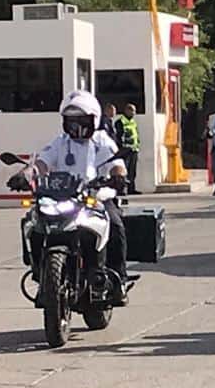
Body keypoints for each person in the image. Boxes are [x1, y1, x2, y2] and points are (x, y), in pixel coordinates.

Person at [9, 91, 130, 303]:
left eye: (81, 121)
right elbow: (42, 162)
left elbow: (116, 164)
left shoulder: (102, 141)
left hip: (95, 198)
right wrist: (25, 174)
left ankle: (118, 281)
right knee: (32, 223)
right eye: (71, 121)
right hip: (62, 198)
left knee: (117, 225)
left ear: (93, 119)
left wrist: (118, 176)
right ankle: (41, 274)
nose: (77, 127)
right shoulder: (60, 142)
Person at [115, 103, 140, 195]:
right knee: (123, 172)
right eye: (132, 110)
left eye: (134, 111)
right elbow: (119, 136)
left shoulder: (133, 121)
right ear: (127, 111)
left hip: (134, 150)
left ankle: (131, 189)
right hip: (125, 151)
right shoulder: (120, 122)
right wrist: (121, 149)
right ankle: (121, 190)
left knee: (132, 172)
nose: (134, 113)